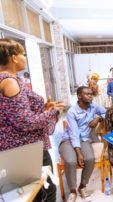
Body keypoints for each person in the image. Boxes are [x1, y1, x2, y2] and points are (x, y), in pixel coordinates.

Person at [0, 39, 65, 202]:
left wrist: (44, 108)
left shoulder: (13, 79)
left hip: (23, 149)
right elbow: (26, 122)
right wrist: (53, 112)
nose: (24, 58)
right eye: (23, 54)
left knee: (40, 192)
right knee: (43, 194)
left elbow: (16, 115)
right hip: (26, 151)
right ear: (13, 57)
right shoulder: (9, 82)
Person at [60, 86, 106, 202]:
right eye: (87, 94)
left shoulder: (93, 106)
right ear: (79, 96)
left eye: (91, 94)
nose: (90, 96)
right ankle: (72, 190)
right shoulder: (72, 112)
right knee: (71, 161)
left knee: (90, 159)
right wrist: (79, 153)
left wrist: (98, 118)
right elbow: (74, 134)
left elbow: (107, 112)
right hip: (69, 140)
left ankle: (82, 186)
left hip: (85, 139)